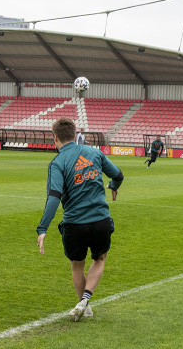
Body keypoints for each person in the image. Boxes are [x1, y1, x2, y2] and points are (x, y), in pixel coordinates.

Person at [37, 117, 124, 322]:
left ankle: (83, 303)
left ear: (55, 137)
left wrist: (43, 228)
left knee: (77, 265)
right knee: (100, 259)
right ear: (76, 135)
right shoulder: (94, 153)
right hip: (101, 220)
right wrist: (112, 186)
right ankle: (85, 300)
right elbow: (118, 175)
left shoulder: (57, 162)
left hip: (75, 224)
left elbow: (53, 198)